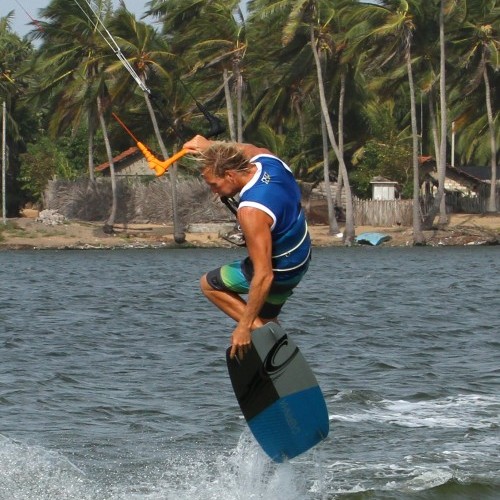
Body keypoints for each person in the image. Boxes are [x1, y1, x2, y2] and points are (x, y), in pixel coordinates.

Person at [183, 135, 311, 360]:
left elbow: (264, 276)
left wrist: (244, 327)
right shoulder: (270, 163)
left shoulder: (251, 210)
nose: (214, 191)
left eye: (214, 184)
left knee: (210, 284)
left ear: (230, 175)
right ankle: (279, 353)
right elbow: (252, 146)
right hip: (301, 257)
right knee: (266, 318)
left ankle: (269, 342)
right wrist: (209, 146)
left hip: (282, 270)